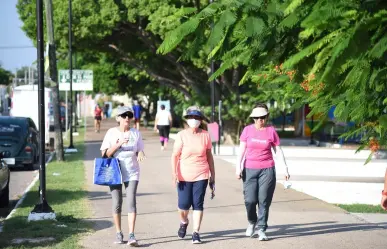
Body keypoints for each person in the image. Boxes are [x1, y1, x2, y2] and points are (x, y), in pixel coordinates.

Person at [236, 103, 290, 241]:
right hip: (249, 169)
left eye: (263, 117)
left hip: (267, 169)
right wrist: (238, 168)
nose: (260, 120)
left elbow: (278, 151)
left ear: (267, 117)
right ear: (253, 118)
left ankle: (261, 229)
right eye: (257, 117)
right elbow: (241, 151)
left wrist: (285, 169)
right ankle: (252, 222)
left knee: (264, 201)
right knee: (250, 200)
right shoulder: (247, 130)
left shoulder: (271, 131)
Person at [100, 106, 146, 246]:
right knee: (117, 203)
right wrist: (119, 144)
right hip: (115, 172)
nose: (127, 118)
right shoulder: (111, 133)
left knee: (131, 202)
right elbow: (106, 154)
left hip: (132, 172)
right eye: (124, 115)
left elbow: (140, 149)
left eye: (129, 115)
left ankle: (132, 235)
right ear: (118, 118)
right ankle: (119, 233)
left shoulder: (135, 133)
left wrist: (140, 153)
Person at [171, 106, 215, 244]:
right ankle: (184, 222)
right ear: (187, 120)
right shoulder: (181, 135)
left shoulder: (206, 135)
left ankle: (196, 232)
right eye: (191, 117)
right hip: (184, 175)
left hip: (201, 174)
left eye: (196, 118)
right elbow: (175, 155)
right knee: (183, 206)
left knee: (198, 204)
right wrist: (174, 173)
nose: (194, 120)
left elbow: (209, 156)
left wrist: (212, 175)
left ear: (201, 120)